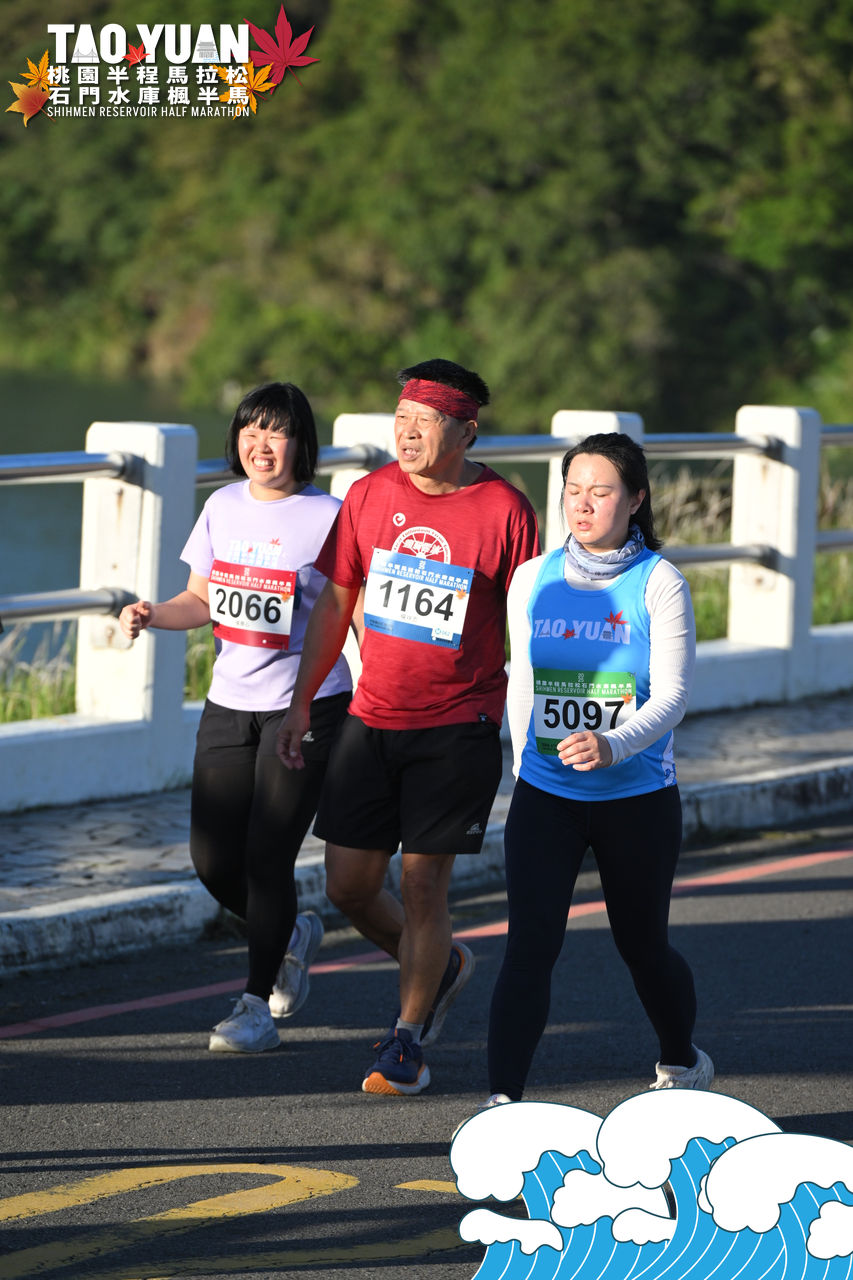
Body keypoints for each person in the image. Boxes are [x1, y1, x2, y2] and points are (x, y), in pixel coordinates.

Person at [277, 358, 539, 1095]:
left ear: (465, 431)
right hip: (371, 719)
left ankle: (406, 1039)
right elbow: (336, 603)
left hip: (459, 723)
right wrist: (301, 703)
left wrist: (533, 723)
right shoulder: (367, 494)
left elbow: (528, 623)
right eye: (401, 419)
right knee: (349, 886)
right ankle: (440, 964)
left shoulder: (505, 510)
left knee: (424, 884)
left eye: (425, 422)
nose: (408, 433)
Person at [118, 382, 353, 1053]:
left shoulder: (330, 517)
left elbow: (350, 613)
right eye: (251, 431)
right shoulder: (222, 506)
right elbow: (200, 599)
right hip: (230, 702)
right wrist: (151, 614)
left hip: (306, 705)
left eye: (276, 432)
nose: (261, 444)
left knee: (267, 853)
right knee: (213, 860)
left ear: (301, 442)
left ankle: (254, 1007)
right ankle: (291, 933)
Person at [484, 431, 713, 1108]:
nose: (582, 505)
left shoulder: (659, 582)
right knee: (529, 946)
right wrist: (527, 767)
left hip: (636, 797)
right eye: (572, 491)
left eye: (601, 492)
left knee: (642, 947)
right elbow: (523, 681)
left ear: (635, 499)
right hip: (546, 796)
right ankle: (503, 1101)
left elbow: (672, 697)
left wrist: (612, 746)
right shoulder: (532, 576)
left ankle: (681, 1058)